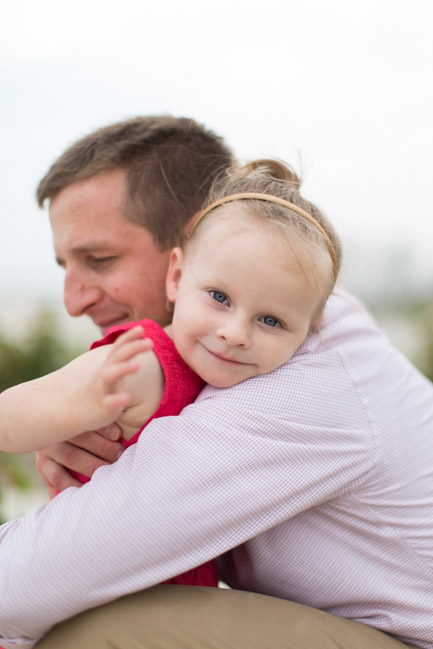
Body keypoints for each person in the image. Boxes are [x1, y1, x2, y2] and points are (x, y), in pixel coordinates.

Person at [0, 117, 431, 649]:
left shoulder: (301, 381)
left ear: (193, 236)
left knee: (106, 629)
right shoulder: (247, 351)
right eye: (66, 265)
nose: (73, 300)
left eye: (101, 260)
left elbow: (25, 582)